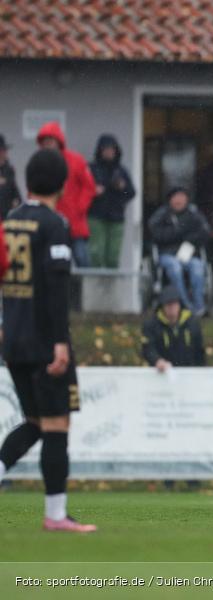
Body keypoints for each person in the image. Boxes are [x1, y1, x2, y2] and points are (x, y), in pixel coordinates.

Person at [0, 149, 96, 532]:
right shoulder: (54, 225)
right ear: (62, 184)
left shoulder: (9, 222)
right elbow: (56, 289)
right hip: (44, 340)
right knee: (56, 424)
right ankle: (56, 516)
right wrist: (59, 342)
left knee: (36, 422)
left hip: (13, 338)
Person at [36, 122, 95, 267]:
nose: (47, 145)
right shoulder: (39, 163)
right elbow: (33, 190)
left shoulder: (76, 160)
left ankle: (85, 291)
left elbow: (89, 187)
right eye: (45, 143)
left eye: (50, 142)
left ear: (58, 142)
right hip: (50, 225)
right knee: (53, 264)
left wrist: (79, 208)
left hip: (75, 224)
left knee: (83, 261)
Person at [148, 188, 211, 316]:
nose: (179, 201)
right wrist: (178, 233)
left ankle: (199, 306)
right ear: (170, 200)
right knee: (175, 268)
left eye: (182, 197)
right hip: (168, 254)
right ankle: (185, 305)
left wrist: (189, 239)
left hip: (188, 253)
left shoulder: (194, 214)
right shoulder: (162, 215)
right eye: (176, 197)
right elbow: (156, 234)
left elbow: (204, 232)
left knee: (198, 268)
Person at [88, 134, 136, 268]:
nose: (109, 152)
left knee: (113, 257)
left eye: (111, 149)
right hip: (96, 216)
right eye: (105, 149)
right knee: (96, 255)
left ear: (116, 151)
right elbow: (81, 190)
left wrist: (122, 187)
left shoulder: (121, 171)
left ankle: (111, 288)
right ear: (100, 151)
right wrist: (94, 191)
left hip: (116, 218)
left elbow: (131, 193)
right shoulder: (92, 169)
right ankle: (96, 287)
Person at [141, 285, 206, 371]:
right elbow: (148, 349)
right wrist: (157, 361)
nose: (171, 307)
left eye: (174, 303)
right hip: (161, 375)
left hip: (189, 375)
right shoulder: (151, 325)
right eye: (168, 304)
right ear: (162, 305)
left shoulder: (192, 324)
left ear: (179, 304)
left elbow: (199, 352)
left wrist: (202, 373)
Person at [0, 134, 23, 219]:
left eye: (4, 151)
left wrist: (17, 201)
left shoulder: (9, 170)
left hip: (6, 217)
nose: (4, 154)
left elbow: (15, 191)